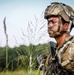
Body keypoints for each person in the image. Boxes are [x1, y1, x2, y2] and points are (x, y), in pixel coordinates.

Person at [42, 2, 74, 75]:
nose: (49, 26)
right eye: (48, 22)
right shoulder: (52, 54)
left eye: (53, 22)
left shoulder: (72, 49)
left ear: (66, 25)